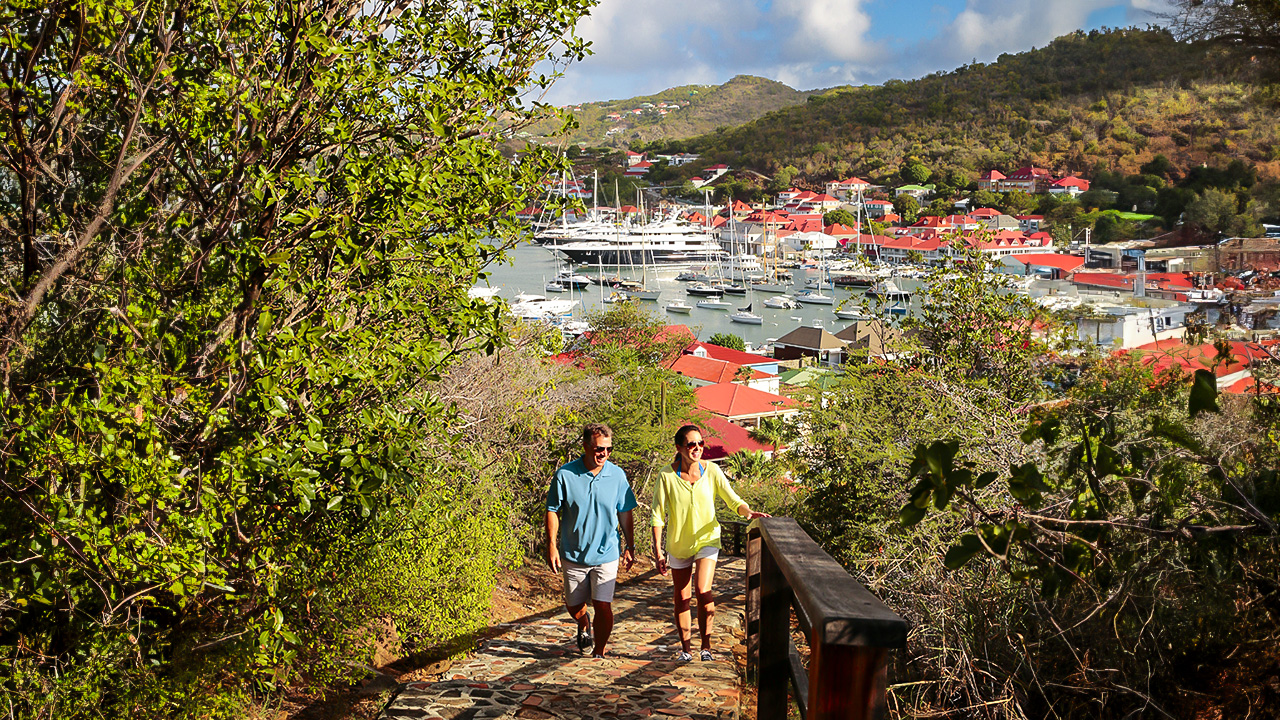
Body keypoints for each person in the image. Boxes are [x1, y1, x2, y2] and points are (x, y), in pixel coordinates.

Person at [651, 424, 769, 662]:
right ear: (679, 448)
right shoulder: (666, 476)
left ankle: (706, 645)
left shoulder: (713, 470)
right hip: (678, 544)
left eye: (700, 444)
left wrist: (748, 513)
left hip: (707, 539)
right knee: (681, 598)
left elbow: (732, 499)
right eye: (691, 444)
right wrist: (658, 552)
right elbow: (657, 515)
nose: (697, 448)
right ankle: (686, 649)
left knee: (703, 590)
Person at [546, 423, 637, 658]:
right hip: (573, 552)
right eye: (598, 449)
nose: (603, 454)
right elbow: (553, 510)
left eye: (608, 450)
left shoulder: (617, 475)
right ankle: (583, 623)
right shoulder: (565, 474)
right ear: (585, 446)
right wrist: (552, 546)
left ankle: (600, 649)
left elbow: (625, 512)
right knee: (573, 604)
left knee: (603, 605)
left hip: (607, 551)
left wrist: (630, 545)